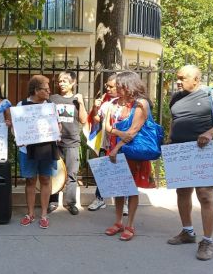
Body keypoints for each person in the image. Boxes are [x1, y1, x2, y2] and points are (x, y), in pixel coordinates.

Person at [167, 65, 213, 261]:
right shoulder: (176, 97)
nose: (178, 81)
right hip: (182, 152)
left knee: (205, 195)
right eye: (177, 77)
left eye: (183, 78)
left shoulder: (211, 94)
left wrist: (210, 133)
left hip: (204, 152)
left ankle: (207, 241)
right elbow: (175, 120)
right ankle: (187, 232)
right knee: (182, 192)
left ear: (196, 79)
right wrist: (171, 138)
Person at [104, 71, 154, 241]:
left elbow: (132, 132)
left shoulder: (141, 103)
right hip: (116, 149)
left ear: (129, 86)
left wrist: (116, 144)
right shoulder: (116, 103)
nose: (116, 88)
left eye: (120, 86)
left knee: (131, 189)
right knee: (118, 187)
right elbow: (107, 127)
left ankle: (130, 225)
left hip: (131, 151)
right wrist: (115, 134)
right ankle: (118, 222)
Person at [16, 75, 60, 229]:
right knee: (30, 180)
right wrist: (17, 135)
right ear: (36, 90)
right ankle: (30, 213)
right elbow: (17, 128)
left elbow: (58, 125)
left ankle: (43, 214)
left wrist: (57, 130)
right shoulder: (21, 105)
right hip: (27, 149)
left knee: (46, 180)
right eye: (46, 88)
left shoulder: (51, 106)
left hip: (47, 148)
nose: (49, 90)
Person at [47, 71, 87, 215]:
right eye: (60, 81)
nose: (61, 83)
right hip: (55, 143)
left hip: (72, 142)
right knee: (54, 173)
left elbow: (83, 120)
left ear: (73, 83)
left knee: (71, 174)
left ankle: (70, 203)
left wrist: (81, 102)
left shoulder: (77, 99)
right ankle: (52, 201)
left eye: (65, 81)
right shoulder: (53, 99)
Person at [87, 74, 117, 212]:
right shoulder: (106, 103)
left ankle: (126, 202)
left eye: (111, 86)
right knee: (103, 171)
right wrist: (94, 107)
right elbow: (96, 119)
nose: (108, 89)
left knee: (123, 172)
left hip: (121, 144)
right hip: (106, 144)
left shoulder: (129, 103)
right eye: (107, 86)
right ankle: (100, 199)